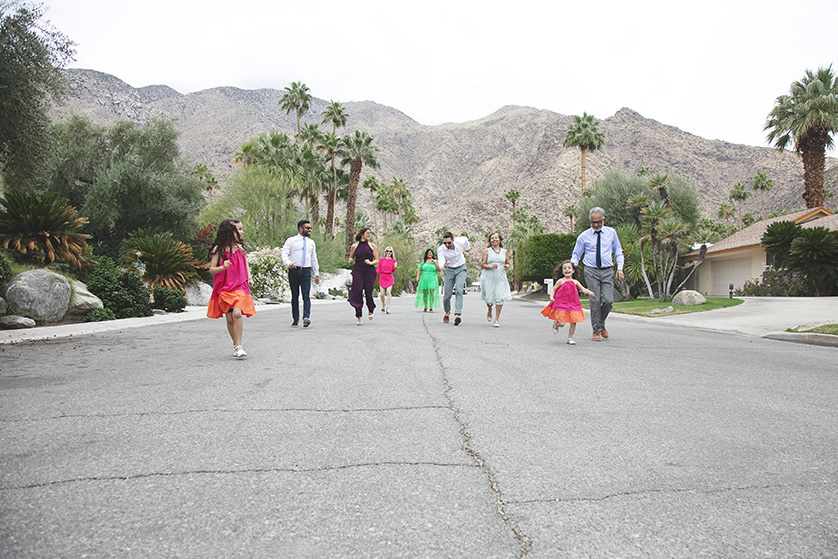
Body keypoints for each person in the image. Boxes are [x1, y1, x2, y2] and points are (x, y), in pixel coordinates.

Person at [570, 207, 624, 341]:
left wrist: (620, 268)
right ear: (590, 221)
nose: (595, 225)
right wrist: (571, 270)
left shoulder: (611, 233)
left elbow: (618, 251)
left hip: (607, 270)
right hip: (591, 270)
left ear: (604, 220)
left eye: (598, 222)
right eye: (593, 222)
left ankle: (600, 322)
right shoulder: (583, 236)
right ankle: (596, 331)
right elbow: (576, 255)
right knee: (595, 301)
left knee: (608, 301)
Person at [207, 218, 255, 357]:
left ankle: (239, 346)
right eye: (239, 229)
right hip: (224, 287)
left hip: (240, 285)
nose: (242, 232)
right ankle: (236, 345)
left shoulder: (241, 249)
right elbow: (211, 270)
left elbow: (245, 264)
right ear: (229, 232)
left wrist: (249, 278)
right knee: (229, 318)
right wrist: (222, 267)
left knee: (237, 313)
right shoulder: (219, 250)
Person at [541, 260, 594, 345]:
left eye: (569, 268)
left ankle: (570, 338)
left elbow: (583, 289)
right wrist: (551, 297)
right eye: (565, 268)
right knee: (561, 323)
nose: (567, 270)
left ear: (573, 270)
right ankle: (556, 324)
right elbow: (553, 289)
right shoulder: (561, 281)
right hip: (561, 304)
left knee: (573, 321)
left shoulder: (575, 282)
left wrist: (590, 292)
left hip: (573, 304)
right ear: (562, 271)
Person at [281, 220, 320, 327]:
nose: (309, 230)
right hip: (294, 271)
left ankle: (306, 317)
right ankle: (295, 318)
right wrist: (289, 263)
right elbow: (284, 253)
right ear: (300, 229)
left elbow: (314, 258)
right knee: (295, 295)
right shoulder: (291, 240)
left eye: (310, 228)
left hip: (306, 270)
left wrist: (316, 273)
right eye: (307, 228)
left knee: (306, 295)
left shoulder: (311, 242)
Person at [480, 232, 512, 327]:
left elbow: (508, 263)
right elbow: (482, 264)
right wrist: (490, 267)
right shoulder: (487, 251)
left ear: (499, 239)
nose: (494, 239)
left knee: (500, 297)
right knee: (488, 297)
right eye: (492, 238)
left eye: (496, 238)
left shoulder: (504, 251)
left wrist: (507, 266)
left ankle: (497, 319)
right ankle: (489, 308)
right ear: (490, 241)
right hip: (488, 276)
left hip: (500, 277)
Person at [438, 232, 470, 325]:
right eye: (445, 243)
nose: (447, 245)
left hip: (461, 268)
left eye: (449, 243)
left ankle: (457, 314)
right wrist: (444, 265)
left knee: (459, 290)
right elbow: (440, 261)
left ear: (453, 240)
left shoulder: (459, 241)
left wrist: (467, 248)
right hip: (449, 270)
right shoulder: (441, 249)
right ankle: (447, 312)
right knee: (447, 295)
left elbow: (465, 239)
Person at [348, 227, 379, 325]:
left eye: (370, 233)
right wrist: (351, 260)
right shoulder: (354, 246)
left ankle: (371, 308)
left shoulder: (372, 246)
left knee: (368, 293)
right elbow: (351, 257)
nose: (369, 235)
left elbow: (377, 260)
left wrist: (370, 263)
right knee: (358, 292)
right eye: (367, 233)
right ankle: (359, 316)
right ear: (362, 234)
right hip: (358, 269)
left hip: (369, 270)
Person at [377, 246, 397, 314]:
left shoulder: (393, 261)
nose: (388, 252)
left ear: (392, 253)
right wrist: (374, 274)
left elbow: (393, 270)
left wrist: (395, 267)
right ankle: (383, 305)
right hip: (382, 277)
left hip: (389, 277)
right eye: (387, 251)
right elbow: (378, 269)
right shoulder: (381, 260)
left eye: (390, 251)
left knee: (388, 292)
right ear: (385, 252)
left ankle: (388, 308)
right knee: (382, 294)